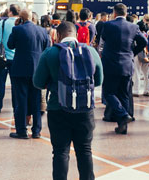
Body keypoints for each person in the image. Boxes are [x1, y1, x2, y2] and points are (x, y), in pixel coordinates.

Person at [34, 21, 103, 180]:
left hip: (58, 108)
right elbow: (98, 80)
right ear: (76, 34)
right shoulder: (90, 52)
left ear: (58, 36)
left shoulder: (49, 53)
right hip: (84, 109)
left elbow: (37, 82)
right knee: (85, 150)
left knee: (60, 152)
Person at [100, 3, 147, 134]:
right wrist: (132, 52)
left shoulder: (108, 25)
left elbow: (103, 39)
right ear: (126, 13)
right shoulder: (133, 26)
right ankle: (123, 127)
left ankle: (122, 115)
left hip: (110, 64)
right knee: (124, 94)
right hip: (127, 64)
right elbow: (144, 42)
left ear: (114, 13)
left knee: (108, 93)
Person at [7, 9, 49, 139]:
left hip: (20, 70)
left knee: (21, 100)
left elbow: (10, 45)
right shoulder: (42, 31)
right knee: (36, 100)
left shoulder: (17, 30)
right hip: (37, 70)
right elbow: (46, 48)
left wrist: (16, 26)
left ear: (21, 18)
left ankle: (21, 130)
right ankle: (36, 131)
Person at [0, 4, 19, 113]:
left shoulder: (2, 23)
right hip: (15, 58)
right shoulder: (19, 24)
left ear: (10, 12)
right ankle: (15, 107)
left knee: (0, 83)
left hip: (2, 58)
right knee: (15, 84)